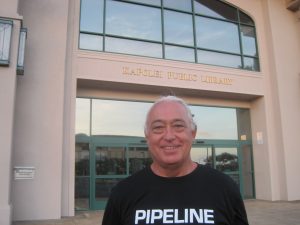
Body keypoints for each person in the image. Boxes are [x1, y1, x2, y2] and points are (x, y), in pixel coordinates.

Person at [102, 95, 249, 225]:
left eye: (178, 126)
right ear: (147, 136)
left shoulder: (225, 188)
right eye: (158, 127)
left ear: (193, 133)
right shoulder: (123, 193)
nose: (169, 136)